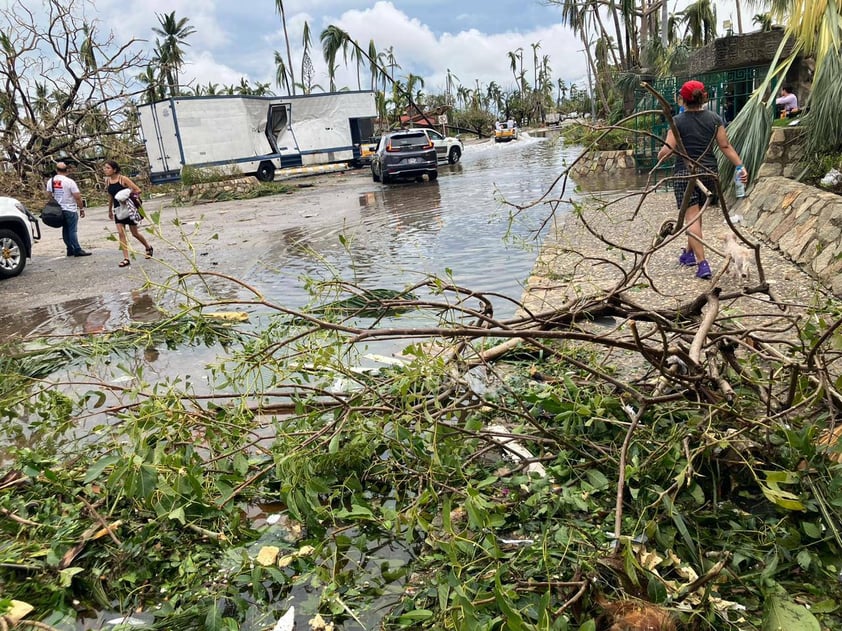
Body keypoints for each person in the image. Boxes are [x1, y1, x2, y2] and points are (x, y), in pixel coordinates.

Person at [658, 80, 749, 280]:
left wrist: (660, 154)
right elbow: (725, 146)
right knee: (697, 216)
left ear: (682, 99)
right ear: (704, 97)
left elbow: (667, 150)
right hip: (709, 173)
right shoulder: (715, 119)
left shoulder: (677, 121)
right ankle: (689, 254)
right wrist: (740, 166)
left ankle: (702, 263)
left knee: (692, 218)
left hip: (686, 174)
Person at [103, 160, 153, 268]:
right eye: (105, 168)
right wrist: (109, 210)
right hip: (118, 210)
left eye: (108, 168)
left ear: (114, 169)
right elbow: (110, 196)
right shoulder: (107, 181)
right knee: (121, 233)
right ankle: (126, 258)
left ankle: (148, 247)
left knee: (134, 233)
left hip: (128, 209)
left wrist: (125, 196)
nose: (105, 170)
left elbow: (137, 190)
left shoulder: (123, 179)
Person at [46, 161, 91, 257]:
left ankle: (69, 248)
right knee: (72, 230)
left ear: (56, 170)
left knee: (65, 230)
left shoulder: (51, 181)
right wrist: (81, 208)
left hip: (58, 210)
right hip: (70, 208)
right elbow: (77, 196)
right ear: (66, 170)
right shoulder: (69, 182)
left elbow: (49, 195)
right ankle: (77, 249)